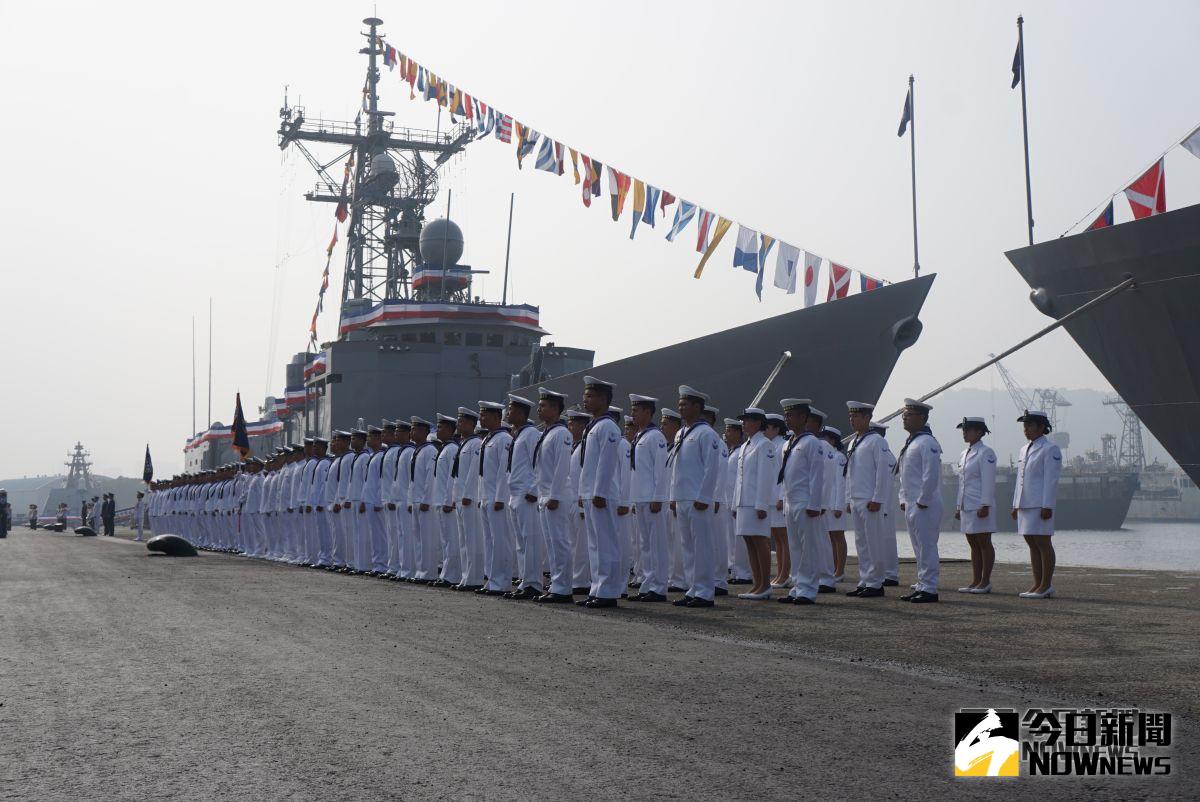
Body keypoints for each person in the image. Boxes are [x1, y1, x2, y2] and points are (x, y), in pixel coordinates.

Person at [669, 385, 723, 608]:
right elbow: (676, 468)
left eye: (684, 404)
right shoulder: (681, 433)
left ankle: (705, 592)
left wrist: (705, 496)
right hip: (683, 497)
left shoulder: (706, 433)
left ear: (697, 407)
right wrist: (673, 495)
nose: (680, 408)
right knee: (688, 546)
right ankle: (693, 588)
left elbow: (712, 468)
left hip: (697, 498)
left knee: (702, 547)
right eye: (679, 403)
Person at [577, 376, 624, 608]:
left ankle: (608, 591)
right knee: (594, 544)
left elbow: (606, 464)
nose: (585, 400)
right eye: (585, 395)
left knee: (606, 543)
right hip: (590, 492)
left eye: (590, 396)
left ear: (603, 399)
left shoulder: (608, 427)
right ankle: (597, 587)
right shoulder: (593, 426)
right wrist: (583, 491)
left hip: (601, 494)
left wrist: (599, 492)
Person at [778, 398, 827, 605]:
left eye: (791, 415)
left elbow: (817, 476)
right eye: (786, 415)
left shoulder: (812, 443)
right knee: (795, 546)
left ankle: (808, 589)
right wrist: (782, 499)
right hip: (790, 501)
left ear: (803, 418)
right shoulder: (788, 443)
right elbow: (784, 475)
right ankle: (797, 585)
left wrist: (815, 505)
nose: (787, 419)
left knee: (809, 547)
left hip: (805, 501)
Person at [896, 399, 944, 603]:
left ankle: (930, 588)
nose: (904, 418)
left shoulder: (928, 442)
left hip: (925, 504)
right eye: (904, 415)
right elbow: (905, 474)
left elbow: (930, 474)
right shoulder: (912, 442)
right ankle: (922, 583)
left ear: (922, 418)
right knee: (918, 546)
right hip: (912, 502)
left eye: (909, 414)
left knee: (927, 545)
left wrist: (923, 499)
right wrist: (903, 498)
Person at [844, 401, 892, 598]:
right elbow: (849, 473)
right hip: (856, 498)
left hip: (869, 499)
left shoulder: (877, 441)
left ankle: (875, 582)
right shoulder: (854, 441)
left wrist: (878, 498)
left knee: (873, 542)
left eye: (856, 416)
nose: (852, 420)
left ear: (867, 418)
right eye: (851, 417)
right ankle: (865, 580)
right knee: (861, 542)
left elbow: (883, 472)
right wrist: (848, 498)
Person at [1012, 410, 1062, 599]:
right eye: (1024, 426)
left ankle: (1046, 585)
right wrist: (1015, 503)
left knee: (1043, 542)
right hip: (1025, 503)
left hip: (1040, 503)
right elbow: (1020, 479)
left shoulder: (1050, 449)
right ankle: (1036, 583)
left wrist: (1047, 505)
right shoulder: (1024, 449)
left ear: (1042, 427)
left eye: (1030, 425)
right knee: (1031, 542)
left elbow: (1051, 479)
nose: (1026, 429)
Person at [532, 389, 574, 603]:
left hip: (555, 496)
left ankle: (563, 587)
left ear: (556, 409)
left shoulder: (562, 433)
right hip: (545, 495)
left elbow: (561, 468)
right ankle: (557, 584)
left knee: (560, 542)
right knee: (551, 543)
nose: (539, 408)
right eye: (539, 405)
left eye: (544, 405)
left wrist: (555, 495)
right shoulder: (546, 433)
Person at [627, 394, 670, 602]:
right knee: (645, 544)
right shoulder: (640, 436)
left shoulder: (655, 437)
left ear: (647, 412)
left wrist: (658, 497)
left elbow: (660, 471)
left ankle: (658, 587)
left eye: (636, 410)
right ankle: (647, 584)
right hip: (641, 497)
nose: (632, 413)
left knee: (656, 544)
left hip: (652, 498)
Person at [731, 407, 776, 599]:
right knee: (749, 542)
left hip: (755, 502)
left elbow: (765, 477)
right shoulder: (745, 446)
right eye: (743, 421)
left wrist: (762, 504)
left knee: (759, 541)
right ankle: (757, 584)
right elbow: (739, 477)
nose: (743, 424)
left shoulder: (764, 445)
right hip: (743, 501)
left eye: (747, 420)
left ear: (758, 423)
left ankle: (765, 585)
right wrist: (735, 504)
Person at [503, 394, 544, 600]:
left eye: (510, 410)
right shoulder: (518, 434)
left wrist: (534, 490)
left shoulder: (531, 435)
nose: (507, 413)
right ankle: (524, 580)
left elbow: (538, 464)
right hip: (516, 494)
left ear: (520, 412)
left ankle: (534, 583)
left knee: (531, 541)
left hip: (527, 495)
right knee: (521, 542)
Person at [955, 417, 998, 593]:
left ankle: (985, 581)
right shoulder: (964, 454)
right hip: (967, 504)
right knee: (973, 543)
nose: (964, 433)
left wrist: (985, 504)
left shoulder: (986, 452)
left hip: (980, 504)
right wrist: (958, 506)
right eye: (963, 430)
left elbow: (988, 480)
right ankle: (975, 580)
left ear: (979, 432)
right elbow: (962, 482)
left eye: (968, 429)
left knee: (984, 542)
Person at [476, 401, 514, 596]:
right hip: (486, 496)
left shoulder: (503, 439)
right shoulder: (487, 439)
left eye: (485, 415)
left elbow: (503, 471)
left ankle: (502, 581)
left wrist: (500, 497)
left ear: (495, 417)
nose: (481, 418)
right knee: (489, 541)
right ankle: (492, 579)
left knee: (501, 541)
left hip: (496, 498)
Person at [452, 408, 485, 591]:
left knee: (472, 540)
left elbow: (473, 473)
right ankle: (466, 576)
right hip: (460, 498)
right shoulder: (464, 444)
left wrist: (467, 495)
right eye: (458, 420)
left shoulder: (475, 444)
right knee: (463, 540)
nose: (459, 424)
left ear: (472, 424)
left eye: (462, 421)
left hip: (468, 499)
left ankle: (474, 577)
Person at [764, 414, 791, 589]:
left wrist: (781, 496)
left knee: (783, 539)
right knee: (777, 538)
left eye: (767, 427)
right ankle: (780, 573)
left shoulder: (782, 445)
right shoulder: (770, 446)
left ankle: (784, 574)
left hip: (778, 498)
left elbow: (784, 474)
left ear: (775, 428)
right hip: (771, 498)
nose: (764, 430)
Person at [820, 426, 849, 583]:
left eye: (825, 438)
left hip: (836, 504)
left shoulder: (839, 457)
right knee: (831, 537)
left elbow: (840, 483)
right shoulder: (829, 456)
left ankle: (840, 570)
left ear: (832, 440)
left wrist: (839, 506)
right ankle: (832, 568)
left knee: (838, 537)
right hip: (828, 503)